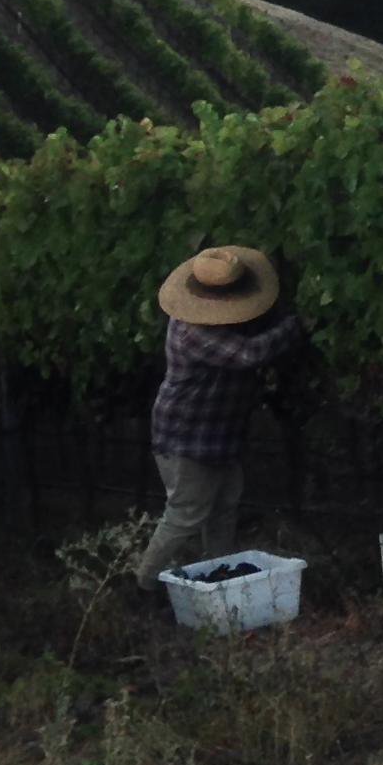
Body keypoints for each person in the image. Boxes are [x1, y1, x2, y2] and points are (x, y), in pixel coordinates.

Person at [135, 245, 310, 592]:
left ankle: (219, 580)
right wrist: (296, 324)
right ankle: (142, 585)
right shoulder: (192, 331)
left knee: (224, 505)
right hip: (186, 435)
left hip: (220, 432)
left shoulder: (230, 322)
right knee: (186, 513)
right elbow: (249, 354)